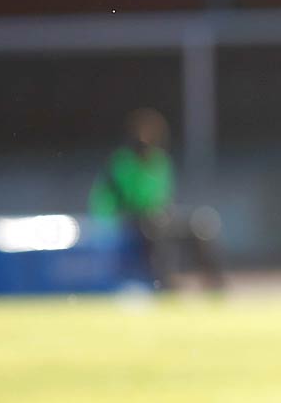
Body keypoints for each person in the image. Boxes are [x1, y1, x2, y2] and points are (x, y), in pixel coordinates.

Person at [90, 108, 224, 292]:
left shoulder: (160, 162)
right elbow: (110, 197)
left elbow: (162, 198)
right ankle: (165, 284)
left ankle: (214, 284)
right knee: (155, 230)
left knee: (198, 225)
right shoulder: (122, 162)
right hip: (132, 220)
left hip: (159, 216)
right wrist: (108, 222)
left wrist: (162, 211)